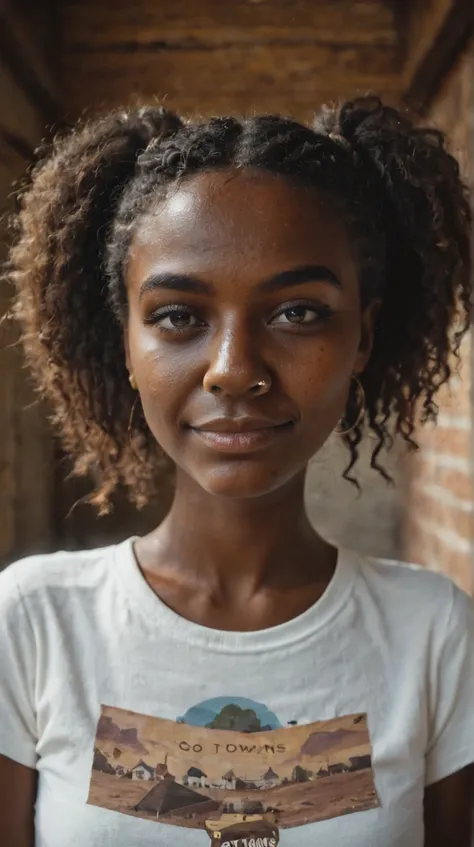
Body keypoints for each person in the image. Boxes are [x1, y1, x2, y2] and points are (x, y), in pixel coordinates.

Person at [0, 95, 473, 847]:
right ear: (125, 339)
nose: (233, 370)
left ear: (363, 337)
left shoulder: (434, 633)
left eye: (297, 313)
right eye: (179, 316)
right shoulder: (32, 621)